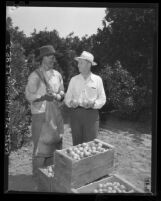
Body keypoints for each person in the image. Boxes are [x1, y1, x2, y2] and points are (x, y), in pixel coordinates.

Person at [25, 45, 64, 186]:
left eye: (54, 55)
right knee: (40, 150)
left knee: (54, 145)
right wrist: (42, 97)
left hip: (55, 116)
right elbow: (28, 95)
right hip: (40, 116)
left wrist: (59, 96)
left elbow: (62, 92)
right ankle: (37, 178)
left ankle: (48, 174)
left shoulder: (57, 75)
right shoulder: (35, 75)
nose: (53, 58)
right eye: (49, 55)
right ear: (42, 58)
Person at [65, 51, 106, 146]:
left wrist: (93, 104)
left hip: (92, 115)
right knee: (77, 145)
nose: (78, 65)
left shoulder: (97, 79)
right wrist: (71, 102)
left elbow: (102, 99)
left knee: (91, 144)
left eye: (81, 63)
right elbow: (67, 98)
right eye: (78, 63)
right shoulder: (74, 80)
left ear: (88, 64)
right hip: (76, 115)